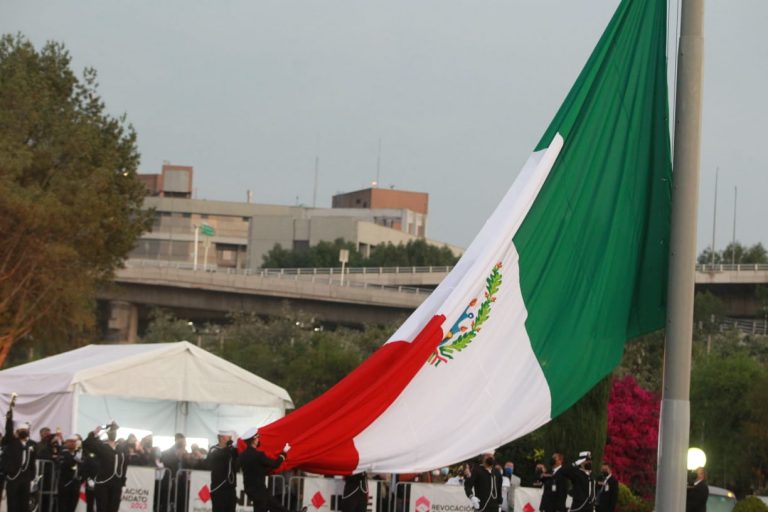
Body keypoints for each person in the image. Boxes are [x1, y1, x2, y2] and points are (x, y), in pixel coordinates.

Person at [238, 428, 290, 512]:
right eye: (257, 438)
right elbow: (275, 464)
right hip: (260, 491)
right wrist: (284, 453)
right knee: (276, 507)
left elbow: (254, 469)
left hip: (250, 491)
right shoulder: (258, 455)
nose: (259, 440)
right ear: (254, 440)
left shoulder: (242, 456)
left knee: (275, 506)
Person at [83, 421, 128, 512]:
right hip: (102, 482)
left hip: (116, 483)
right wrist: (95, 433)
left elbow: (124, 466)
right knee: (102, 508)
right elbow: (86, 444)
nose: (114, 433)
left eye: (115, 431)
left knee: (113, 508)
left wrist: (123, 483)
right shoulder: (102, 446)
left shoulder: (121, 449)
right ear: (107, 433)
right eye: (111, 431)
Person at [3, 408, 36, 512]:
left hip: (25, 478)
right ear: (17, 432)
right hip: (13, 477)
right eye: (21, 431)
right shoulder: (12, 442)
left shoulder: (31, 444)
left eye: (25, 431)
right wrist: (9, 419)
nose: (23, 432)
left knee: (24, 503)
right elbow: (8, 431)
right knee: (13, 503)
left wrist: (32, 477)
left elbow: (32, 462)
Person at [206, 430, 239, 512]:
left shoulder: (231, 450)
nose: (231, 440)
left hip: (231, 488)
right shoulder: (214, 449)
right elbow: (220, 455)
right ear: (222, 438)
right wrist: (230, 447)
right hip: (219, 488)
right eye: (229, 438)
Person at [58, 437, 83, 512]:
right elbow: (69, 463)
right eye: (71, 441)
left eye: (74, 441)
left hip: (76, 484)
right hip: (65, 483)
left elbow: (83, 465)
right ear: (66, 443)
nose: (73, 443)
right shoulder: (63, 453)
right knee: (63, 506)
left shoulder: (78, 453)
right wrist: (77, 456)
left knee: (73, 505)